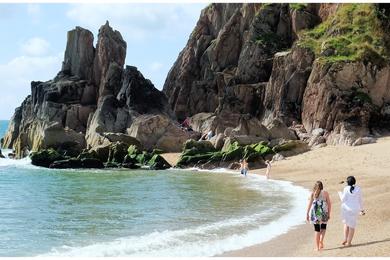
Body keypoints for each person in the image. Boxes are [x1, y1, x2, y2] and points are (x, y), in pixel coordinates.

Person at [338, 176, 365, 247]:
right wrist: (362, 209)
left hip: (346, 209)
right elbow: (360, 200)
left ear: (347, 182)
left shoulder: (346, 188)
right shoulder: (359, 189)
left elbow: (342, 200)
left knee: (346, 224)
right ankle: (349, 242)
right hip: (355, 209)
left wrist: (340, 193)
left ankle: (345, 239)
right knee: (352, 226)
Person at [306, 181, 332, 251]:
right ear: (322, 186)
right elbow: (329, 204)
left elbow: (309, 204)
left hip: (316, 214)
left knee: (317, 230)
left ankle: (317, 247)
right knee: (323, 227)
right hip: (324, 213)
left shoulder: (313, 193)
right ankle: (321, 240)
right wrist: (329, 213)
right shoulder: (325, 193)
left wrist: (307, 214)